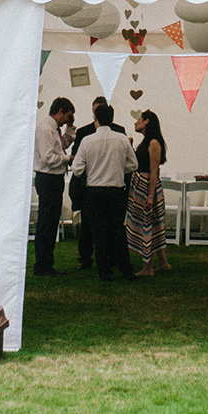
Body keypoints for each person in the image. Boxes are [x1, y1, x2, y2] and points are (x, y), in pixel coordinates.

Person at [75, 102, 138, 280]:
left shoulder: (87, 141)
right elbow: (133, 165)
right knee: (118, 230)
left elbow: (77, 169)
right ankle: (126, 269)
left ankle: (104, 271)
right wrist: (117, 169)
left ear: (95, 117)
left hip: (94, 192)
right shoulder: (122, 139)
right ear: (112, 118)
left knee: (98, 232)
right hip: (116, 191)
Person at [33, 98, 76, 275]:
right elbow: (48, 158)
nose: (67, 119)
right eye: (67, 116)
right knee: (46, 223)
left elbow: (62, 146)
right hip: (48, 178)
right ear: (59, 111)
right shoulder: (45, 128)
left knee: (51, 223)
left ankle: (46, 262)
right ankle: (42, 265)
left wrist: (70, 129)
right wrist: (68, 159)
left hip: (54, 179)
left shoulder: (54, 129)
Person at [125, 110, 171, 276]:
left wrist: (150, 196)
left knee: (147, 225)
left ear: (147, 122)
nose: (136, 123)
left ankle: (148, 266)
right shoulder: (145, 142)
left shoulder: (153, 143)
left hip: (147, 187)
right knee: (154, 224)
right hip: (141, 185)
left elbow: (153, 171)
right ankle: (163, 262)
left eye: (139, 120)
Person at [70, 97, 110, 270]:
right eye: (95, 110)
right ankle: (85, 258)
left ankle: (110, 256)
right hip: (89, 184)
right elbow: (76, 158)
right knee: (87, 225)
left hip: (110, 183)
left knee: (110, 225)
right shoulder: (84, 132)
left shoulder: (118, 131)